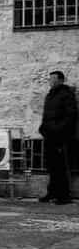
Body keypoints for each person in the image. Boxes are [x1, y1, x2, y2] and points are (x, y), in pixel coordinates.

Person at [38, 71, 77, 205]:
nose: (51, 81)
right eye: (50, 79)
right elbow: (47, 115)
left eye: (53, 79)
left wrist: (58, 129)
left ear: (61, 80)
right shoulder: (50, 95)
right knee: (52, 167)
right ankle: (52, 193)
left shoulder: (66, 95)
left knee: (62, 167)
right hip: (50, 137)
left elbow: (70, 116)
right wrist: (43, 128)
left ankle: (64, 195)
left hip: (62, 138)